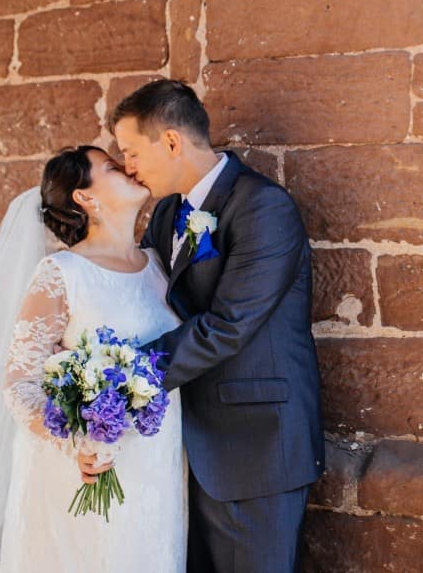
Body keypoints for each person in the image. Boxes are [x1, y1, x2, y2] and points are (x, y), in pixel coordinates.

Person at [0, 146, 187, 572]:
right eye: (110, 166)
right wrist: (78, 445)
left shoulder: (156, 265)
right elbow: (19, 382)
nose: (127, 166)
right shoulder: (62, 274)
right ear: (85, 198)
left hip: (155, 462)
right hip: (87, 468)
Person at [108, 79, 324, 572]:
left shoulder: (262, 207)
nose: (128, 166)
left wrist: (123, 379)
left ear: (170, 141)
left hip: (256, 444)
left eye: (131, 151)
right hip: (189, 443)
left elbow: (228, 324)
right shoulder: (167, 212)